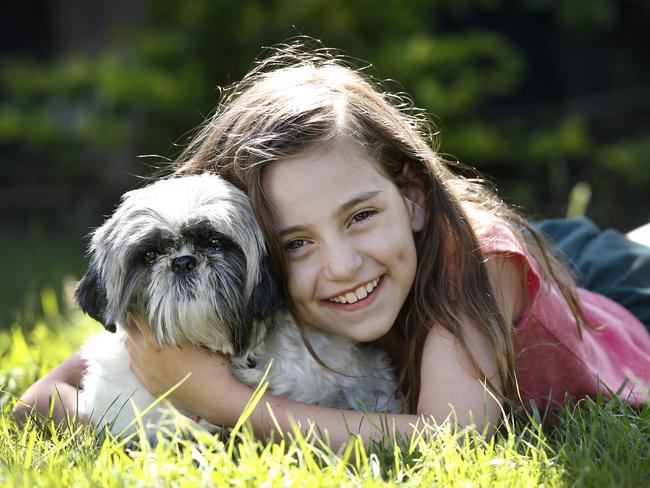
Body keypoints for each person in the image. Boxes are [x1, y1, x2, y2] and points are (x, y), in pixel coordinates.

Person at [14, 42, 650, 447]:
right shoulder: (244, 281)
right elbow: (38, 404)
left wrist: (219, 402)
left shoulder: (475, 264)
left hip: (601, 300)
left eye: (359, 215)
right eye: (294, 242)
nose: (338, 265)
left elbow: (451, 438)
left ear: (412, 195)